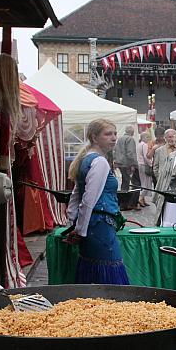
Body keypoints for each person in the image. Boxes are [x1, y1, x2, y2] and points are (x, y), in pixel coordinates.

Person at [64, 119, 129, 285]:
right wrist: (79, 230)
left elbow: (76, 195)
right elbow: (87, 199)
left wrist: (74, 221)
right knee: (108, 270)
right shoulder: (99, 161)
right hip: (100, 226)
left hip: (93, 225)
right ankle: (111, 308)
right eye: (108, 134)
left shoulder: (87, 159)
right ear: (94, 137)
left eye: (115, 133)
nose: (114, 138)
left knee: (92, 269)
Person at [151, 132, 176, 222]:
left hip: (174, 184)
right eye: (169, 137)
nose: (172, 139)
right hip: (162, 183)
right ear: (165, 138)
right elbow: (155, 167)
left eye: (173, 137)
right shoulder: (159, 150)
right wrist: (159, 178)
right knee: (161, 204)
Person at [113, 125, 140, 210]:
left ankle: (122, 203)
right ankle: (124, 204)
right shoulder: (130, 139)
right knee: (127, 183)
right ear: (132, 132)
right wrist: (133, 164)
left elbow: (116, 150)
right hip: (127, 163)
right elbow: (130, 152)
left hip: (120, 163)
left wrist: (116, 161)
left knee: (124, 183)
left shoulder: (120, 139)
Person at [136, 131, 153, 207]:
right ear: (144, 137)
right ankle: (140, 197)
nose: (148, 139)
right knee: (146, 183)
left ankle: (143, 199)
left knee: (143, 182)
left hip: (140, 164)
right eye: (147, 137)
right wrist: (150, 164)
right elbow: (146, 156)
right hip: (144, 165)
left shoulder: (139, 144)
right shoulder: (144, 145)